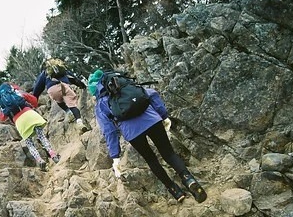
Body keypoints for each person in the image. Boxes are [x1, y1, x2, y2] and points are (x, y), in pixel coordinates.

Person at [87, 69, 207, 203]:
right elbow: (151, 94)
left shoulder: (100, 105)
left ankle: (175, 191)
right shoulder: (124, 85)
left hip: (132, 133)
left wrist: (115, 156)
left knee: (152, 160)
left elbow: (109, 131)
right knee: (169, 153)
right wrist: (163, 115)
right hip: (152, 120)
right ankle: (188, 179)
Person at [0, 82, 60, 171]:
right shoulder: (17, 92)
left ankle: (40, 160)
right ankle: (53, 155)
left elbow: (2, 118)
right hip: (30, 114)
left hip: (19, 121)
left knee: (30, 143)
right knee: (41, 136)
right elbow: (34, 100)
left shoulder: (2, 102)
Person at [32, 59, 88, 132]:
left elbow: (38, 87)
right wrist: (82, 85)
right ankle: (79, 122)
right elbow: (73, 79)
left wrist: (34, 97)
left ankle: (68, 112)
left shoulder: (44, 73)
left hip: (52, 90)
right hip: (64, 86)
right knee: (73, 105)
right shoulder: (62, 69)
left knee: (59, 101)